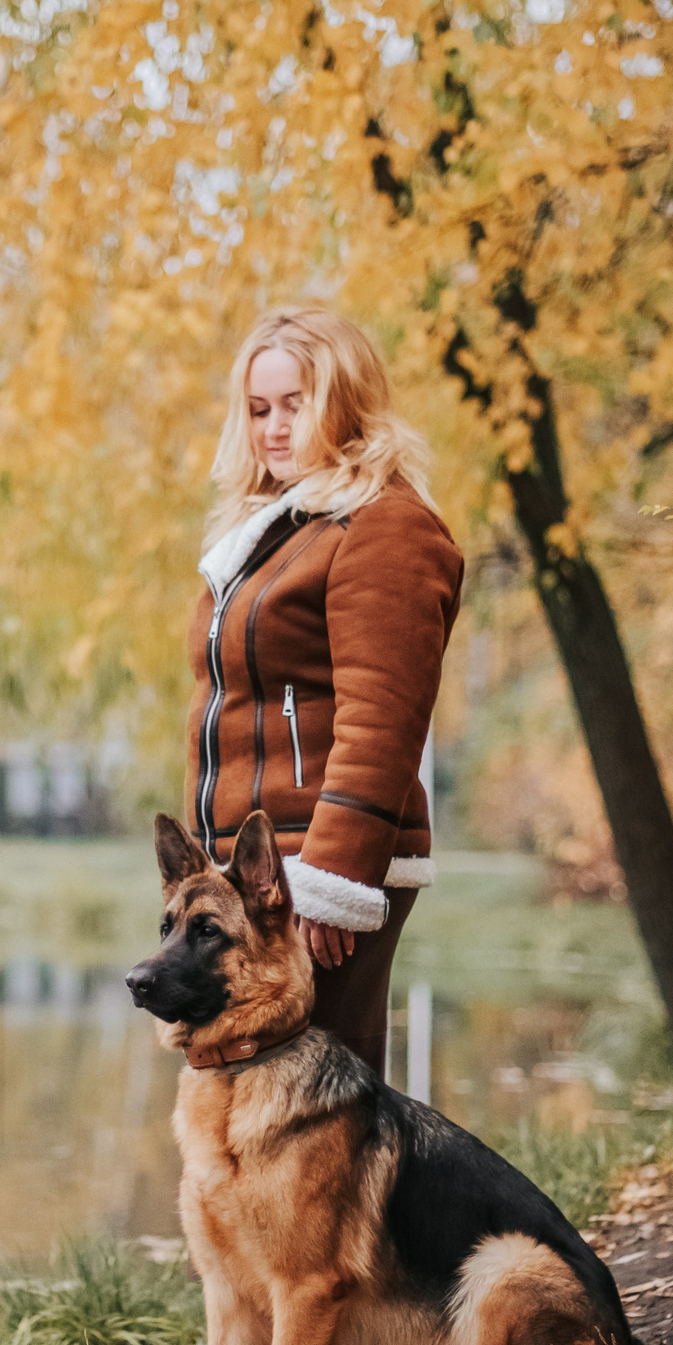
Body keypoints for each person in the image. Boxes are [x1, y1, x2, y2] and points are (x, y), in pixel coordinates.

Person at [184, 306, 463, 1079]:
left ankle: (386, 1209)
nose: (272, 428)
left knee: (320, 1114)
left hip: (318, 866)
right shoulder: (274, 531)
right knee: (259, 1103)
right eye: (257, 408)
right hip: (261, 875)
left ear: (343, 399)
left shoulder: (385, 526)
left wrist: (330, 881)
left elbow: (385, 716)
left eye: (293, 404)